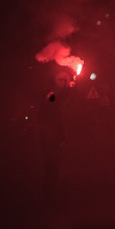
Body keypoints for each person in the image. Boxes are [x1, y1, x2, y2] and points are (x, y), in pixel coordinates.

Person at [37, 71, 70, 207]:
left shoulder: (62, 95)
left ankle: (52, 195)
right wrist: (67, 90)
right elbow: (53, 104)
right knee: (51, 167)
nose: (62, 82)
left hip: (56, 136)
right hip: (49, 136)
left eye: (64, 80)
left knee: (56, 167)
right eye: (59, 79)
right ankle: (49, 197)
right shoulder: (51, 94)